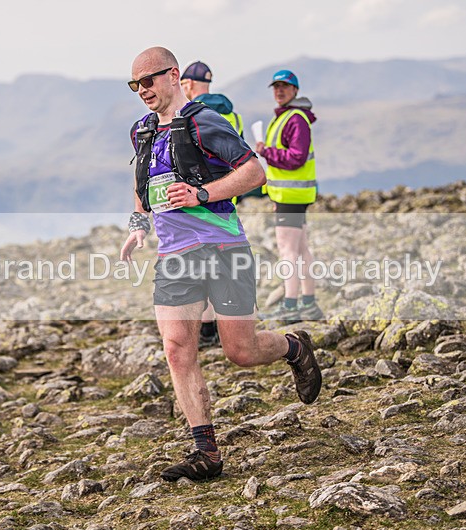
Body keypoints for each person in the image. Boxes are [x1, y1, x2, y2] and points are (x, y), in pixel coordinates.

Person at [121, 47, 322, 482]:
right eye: (135, 84)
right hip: (174, 258)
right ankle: (206, 452)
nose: (142, 91)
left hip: (223, 248)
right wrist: (138, 225)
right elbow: (142, 185)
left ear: (173, 75)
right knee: (177, 350)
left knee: (240, 352)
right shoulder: (142, 131)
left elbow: (253, 173)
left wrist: (202, 194)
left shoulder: (204, 121)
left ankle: (295, 347)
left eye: (149, 81)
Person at [179, 60, 249, 348]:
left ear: (188, 84)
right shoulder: (232, 114)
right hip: (228, 196)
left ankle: (208, 328)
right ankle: (226, 324)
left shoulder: (192, 115)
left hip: (201, 197)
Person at [255, 70, 324, 323]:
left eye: (285, 86)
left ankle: (291, 306)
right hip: (292, 195)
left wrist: (266, 152)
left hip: (291, 195)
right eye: (276, 87)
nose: (279, 91)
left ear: (295, 90)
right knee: (301, 249)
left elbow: (296, 158)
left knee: (288, 251)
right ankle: (309, 304)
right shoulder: (287, 116)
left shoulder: (295, 119)